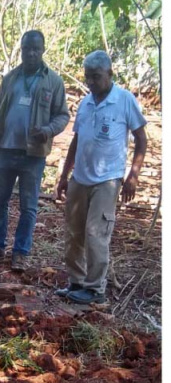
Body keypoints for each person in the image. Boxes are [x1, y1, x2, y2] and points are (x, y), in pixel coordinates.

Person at [55, 50, 147, 305]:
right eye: (87, 77)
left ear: (110, 74)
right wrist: (64, 176)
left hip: (107, 180)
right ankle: (76, 282)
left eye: (96, 76)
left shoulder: (124, 100)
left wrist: (133, 176)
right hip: (80, 178)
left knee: (96, 233)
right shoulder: (85, 103)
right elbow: (77, 140)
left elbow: (141, 139)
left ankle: (95, 290)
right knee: (74, 233)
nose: (91, 82)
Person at [0, 30, 70, 272]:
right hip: (5, 150)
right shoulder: (10, 78)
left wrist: (48, 130)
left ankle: (20, 253)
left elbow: (62, 115)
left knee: (28, 207)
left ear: (43, 50)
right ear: (21, 50)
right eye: (27, 49)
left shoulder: (53, 81)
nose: (31, 54)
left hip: (33, 155)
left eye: (36, 49)